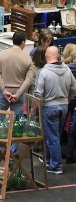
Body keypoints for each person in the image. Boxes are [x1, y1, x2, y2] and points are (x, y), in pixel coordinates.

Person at [35, 46, 76, 174]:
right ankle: (49, 160)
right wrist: (67, 99)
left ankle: (56, 166)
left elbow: (38, 93)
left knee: (52, 137)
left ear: (47, 56)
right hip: (63, 105)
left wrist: (36, 107)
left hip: (49, 106)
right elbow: (74, 88)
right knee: (55, 135)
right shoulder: (66, 69)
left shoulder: (44, 72)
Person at [0, 31, 34, 154]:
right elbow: (29, 80)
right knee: (17, 123)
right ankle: (13, 150)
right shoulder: (27, 58)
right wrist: (18, 93)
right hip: (18, 96)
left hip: (2, 94)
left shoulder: (2, 54)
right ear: (23, 43)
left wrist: (4, 91)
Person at [61, 44, 76, 164]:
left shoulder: (64, 68)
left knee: (63, 125)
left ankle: (60, 151)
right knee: (72, 127)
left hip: (65, 100)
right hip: (73, 100)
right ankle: (70, 154)